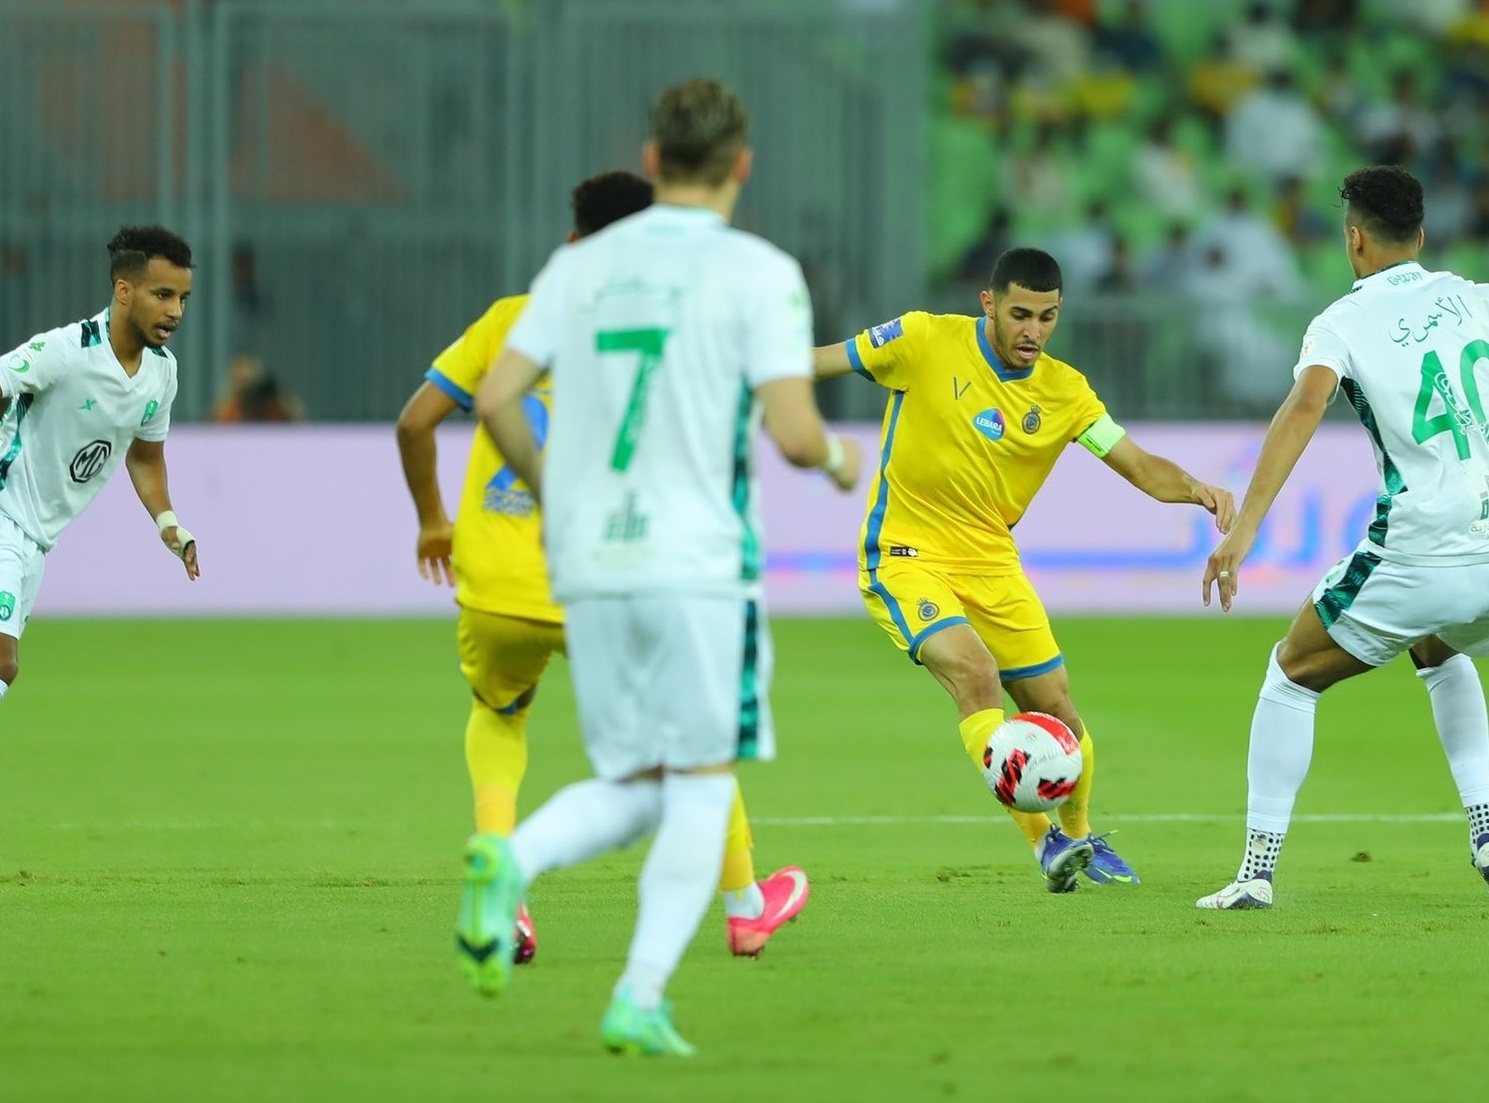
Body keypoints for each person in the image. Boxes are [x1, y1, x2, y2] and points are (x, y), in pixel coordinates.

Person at [465, 78, 862, 1056]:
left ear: (651, 160)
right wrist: (843, 462)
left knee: (644, 779)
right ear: (741, 163)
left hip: (591, 560)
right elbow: (795, 429)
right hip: (697, 563)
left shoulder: (579, 269)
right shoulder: (758, 270)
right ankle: (631, 984)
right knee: (696, 777)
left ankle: (511, 864)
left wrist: (557, 487)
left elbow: (498, 398)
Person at [396, 170, 813, 968]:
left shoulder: (510, 322)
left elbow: (415, 423)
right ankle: (744, 906)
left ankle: (503, 884)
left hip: (494, 588)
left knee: (498, 714)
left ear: (572, 242)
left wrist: (431, 520)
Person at [813, 247, 1235, 891]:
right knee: (975, 674)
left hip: (992, 564)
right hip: (907, 556)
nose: (1033, 331)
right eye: (1019, 315)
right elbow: (821, 362)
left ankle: (1079, 835)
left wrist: (1200, 489)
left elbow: (1141, 467)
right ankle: (1044, 846)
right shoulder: (925, 339)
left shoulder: (1066, 392)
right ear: (988, 304)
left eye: (1047, 316)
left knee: (1060, 711)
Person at [1198, 165, 1489, 910]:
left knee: (1290, 671)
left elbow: (1305, 403)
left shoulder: (1340, 322)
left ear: (1353, 239)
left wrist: (1246, 527)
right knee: (1438, 645)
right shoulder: (1475, 298)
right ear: (1420, 236)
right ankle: (1485, 829)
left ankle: (1255, 871)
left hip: (1420, 546)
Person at [0, 225, 200, 709]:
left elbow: (146, 455)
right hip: (5, 514)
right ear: (124, 291)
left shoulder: (162, 372)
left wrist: (169, 524)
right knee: (2, 661)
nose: (175, 311)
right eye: (163, 294)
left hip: (37, 540)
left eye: (183, 298)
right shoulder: (67, 351)